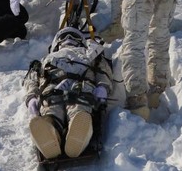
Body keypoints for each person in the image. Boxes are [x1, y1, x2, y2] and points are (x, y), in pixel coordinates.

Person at [23, 27, 114, 159]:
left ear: (81, 42)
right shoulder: (45, 60)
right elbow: (31, 80)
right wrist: (31, 98)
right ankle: (51, 131)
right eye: (63, 37)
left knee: (79, 106)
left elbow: (104, 72)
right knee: (51, 110)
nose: (68, 40)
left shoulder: (92, 54)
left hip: (81, 86)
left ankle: (78, 132)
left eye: (74, 37)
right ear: (56, 44)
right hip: (52, 88)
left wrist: (103, 87)